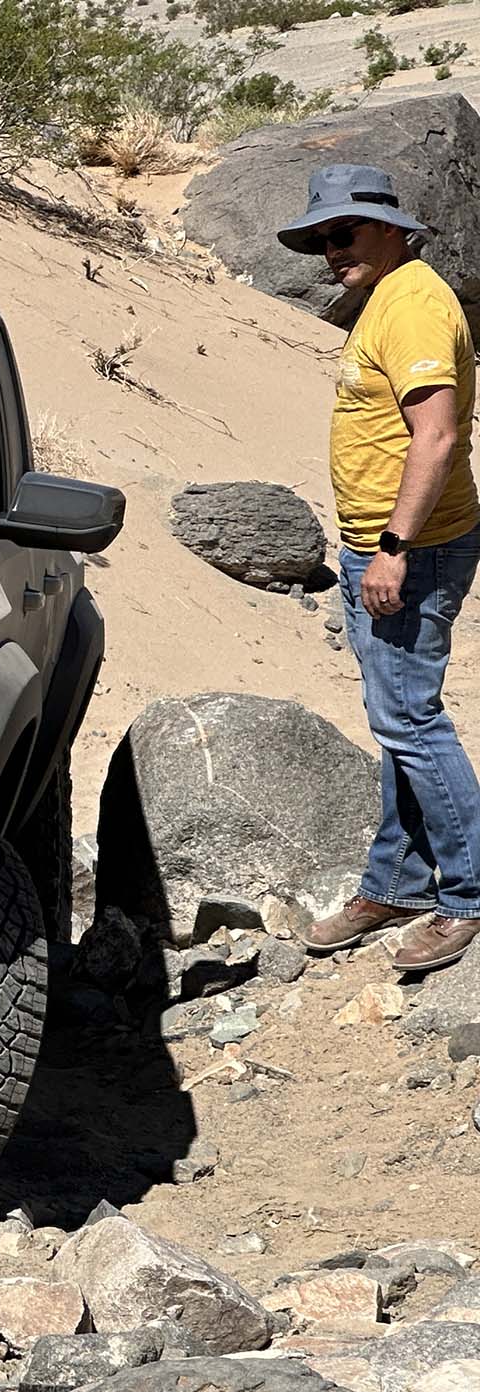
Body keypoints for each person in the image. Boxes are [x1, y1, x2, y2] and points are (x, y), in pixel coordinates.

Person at [288, 165, 480, 972]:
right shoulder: (392, 301)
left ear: (394, 230)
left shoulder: (412, 307)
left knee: (409, 717)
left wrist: (394, 550)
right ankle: (396, 879)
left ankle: (467, 892)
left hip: (409, 549)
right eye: (323, 239)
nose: (333, 251)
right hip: (382, 545)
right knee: (395, 716)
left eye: (347, 233)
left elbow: (435, 436)